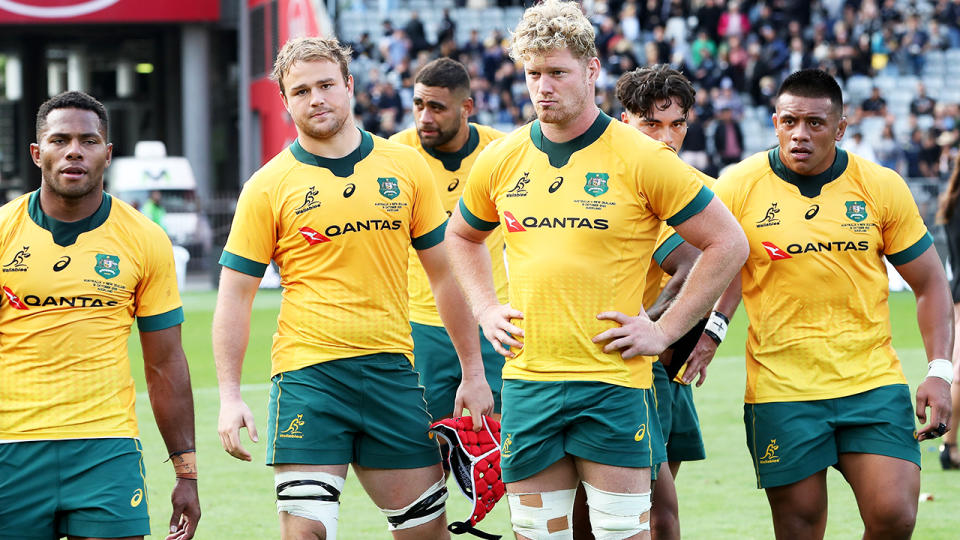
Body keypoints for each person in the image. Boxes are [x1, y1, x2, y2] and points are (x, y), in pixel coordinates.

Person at [444, 1, 749, 538]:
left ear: (590, 71)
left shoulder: (641, 156)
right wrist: (486, 307)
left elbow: (727, 243)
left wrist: (664, 330)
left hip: (612, 383)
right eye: (533, 74)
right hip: (529, 381)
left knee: (620, 534)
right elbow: (462, 236)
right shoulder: (502, 156)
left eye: (557, 73)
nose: (543, 87)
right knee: (540, 534)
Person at [212, 37, 493, 540]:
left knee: (425, 535)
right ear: (285, 102)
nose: (316, 98)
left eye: (325, 85)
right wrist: (230, 395)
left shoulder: (404, 167)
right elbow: (234, 295)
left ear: (349, 86)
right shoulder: (267, 186)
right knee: (305, 534)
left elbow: (445, 274)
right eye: (301, 91)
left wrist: (472, 370)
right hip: (308, 379)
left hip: (392, 373)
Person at [694, 68, 953, 539]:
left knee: (896, 516)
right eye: (789, 121)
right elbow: (724, 265)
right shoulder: (738, 186)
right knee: (799, 528)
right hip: (782, 390)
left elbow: (931, 283)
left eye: (815, 123)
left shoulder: (880, 186)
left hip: (871, 382)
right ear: (774, 121)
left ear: (840, 128)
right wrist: (712, 330)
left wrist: (939, 372)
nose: (800, 134)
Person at [0, 91, 200, 540]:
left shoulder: (145, 239)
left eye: (88, 141)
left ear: (107, 154)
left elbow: (166, 364)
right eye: (60, 140)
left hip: (106, 448)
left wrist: (187, 473)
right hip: (9, 447)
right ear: (37, 153)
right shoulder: (2, 232)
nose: (74, 150)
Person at [593, 63, 714, 540]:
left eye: (677, 124)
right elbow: (694, 262)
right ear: (626, 121)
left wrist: (666, 329)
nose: (666, 137)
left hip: (653, 361)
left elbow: (711, 263)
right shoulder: (631, 179)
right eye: (651, 123)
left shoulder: (689, 184)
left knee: (652, 507)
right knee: (646, 506)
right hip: (633, 361)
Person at [389, 57, 508, 421]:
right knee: (426, 448)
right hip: (423, 326)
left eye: (437, 107)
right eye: (418, 105)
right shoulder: (396, 155)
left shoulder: (501, 152)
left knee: (503, 448)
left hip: (493, 321)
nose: (424, 117)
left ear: (466, 108)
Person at [936, 151, 960, 470]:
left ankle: (949, 444)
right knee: (958, 374)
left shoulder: (952, 201)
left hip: (956, 295)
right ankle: (949, 445)